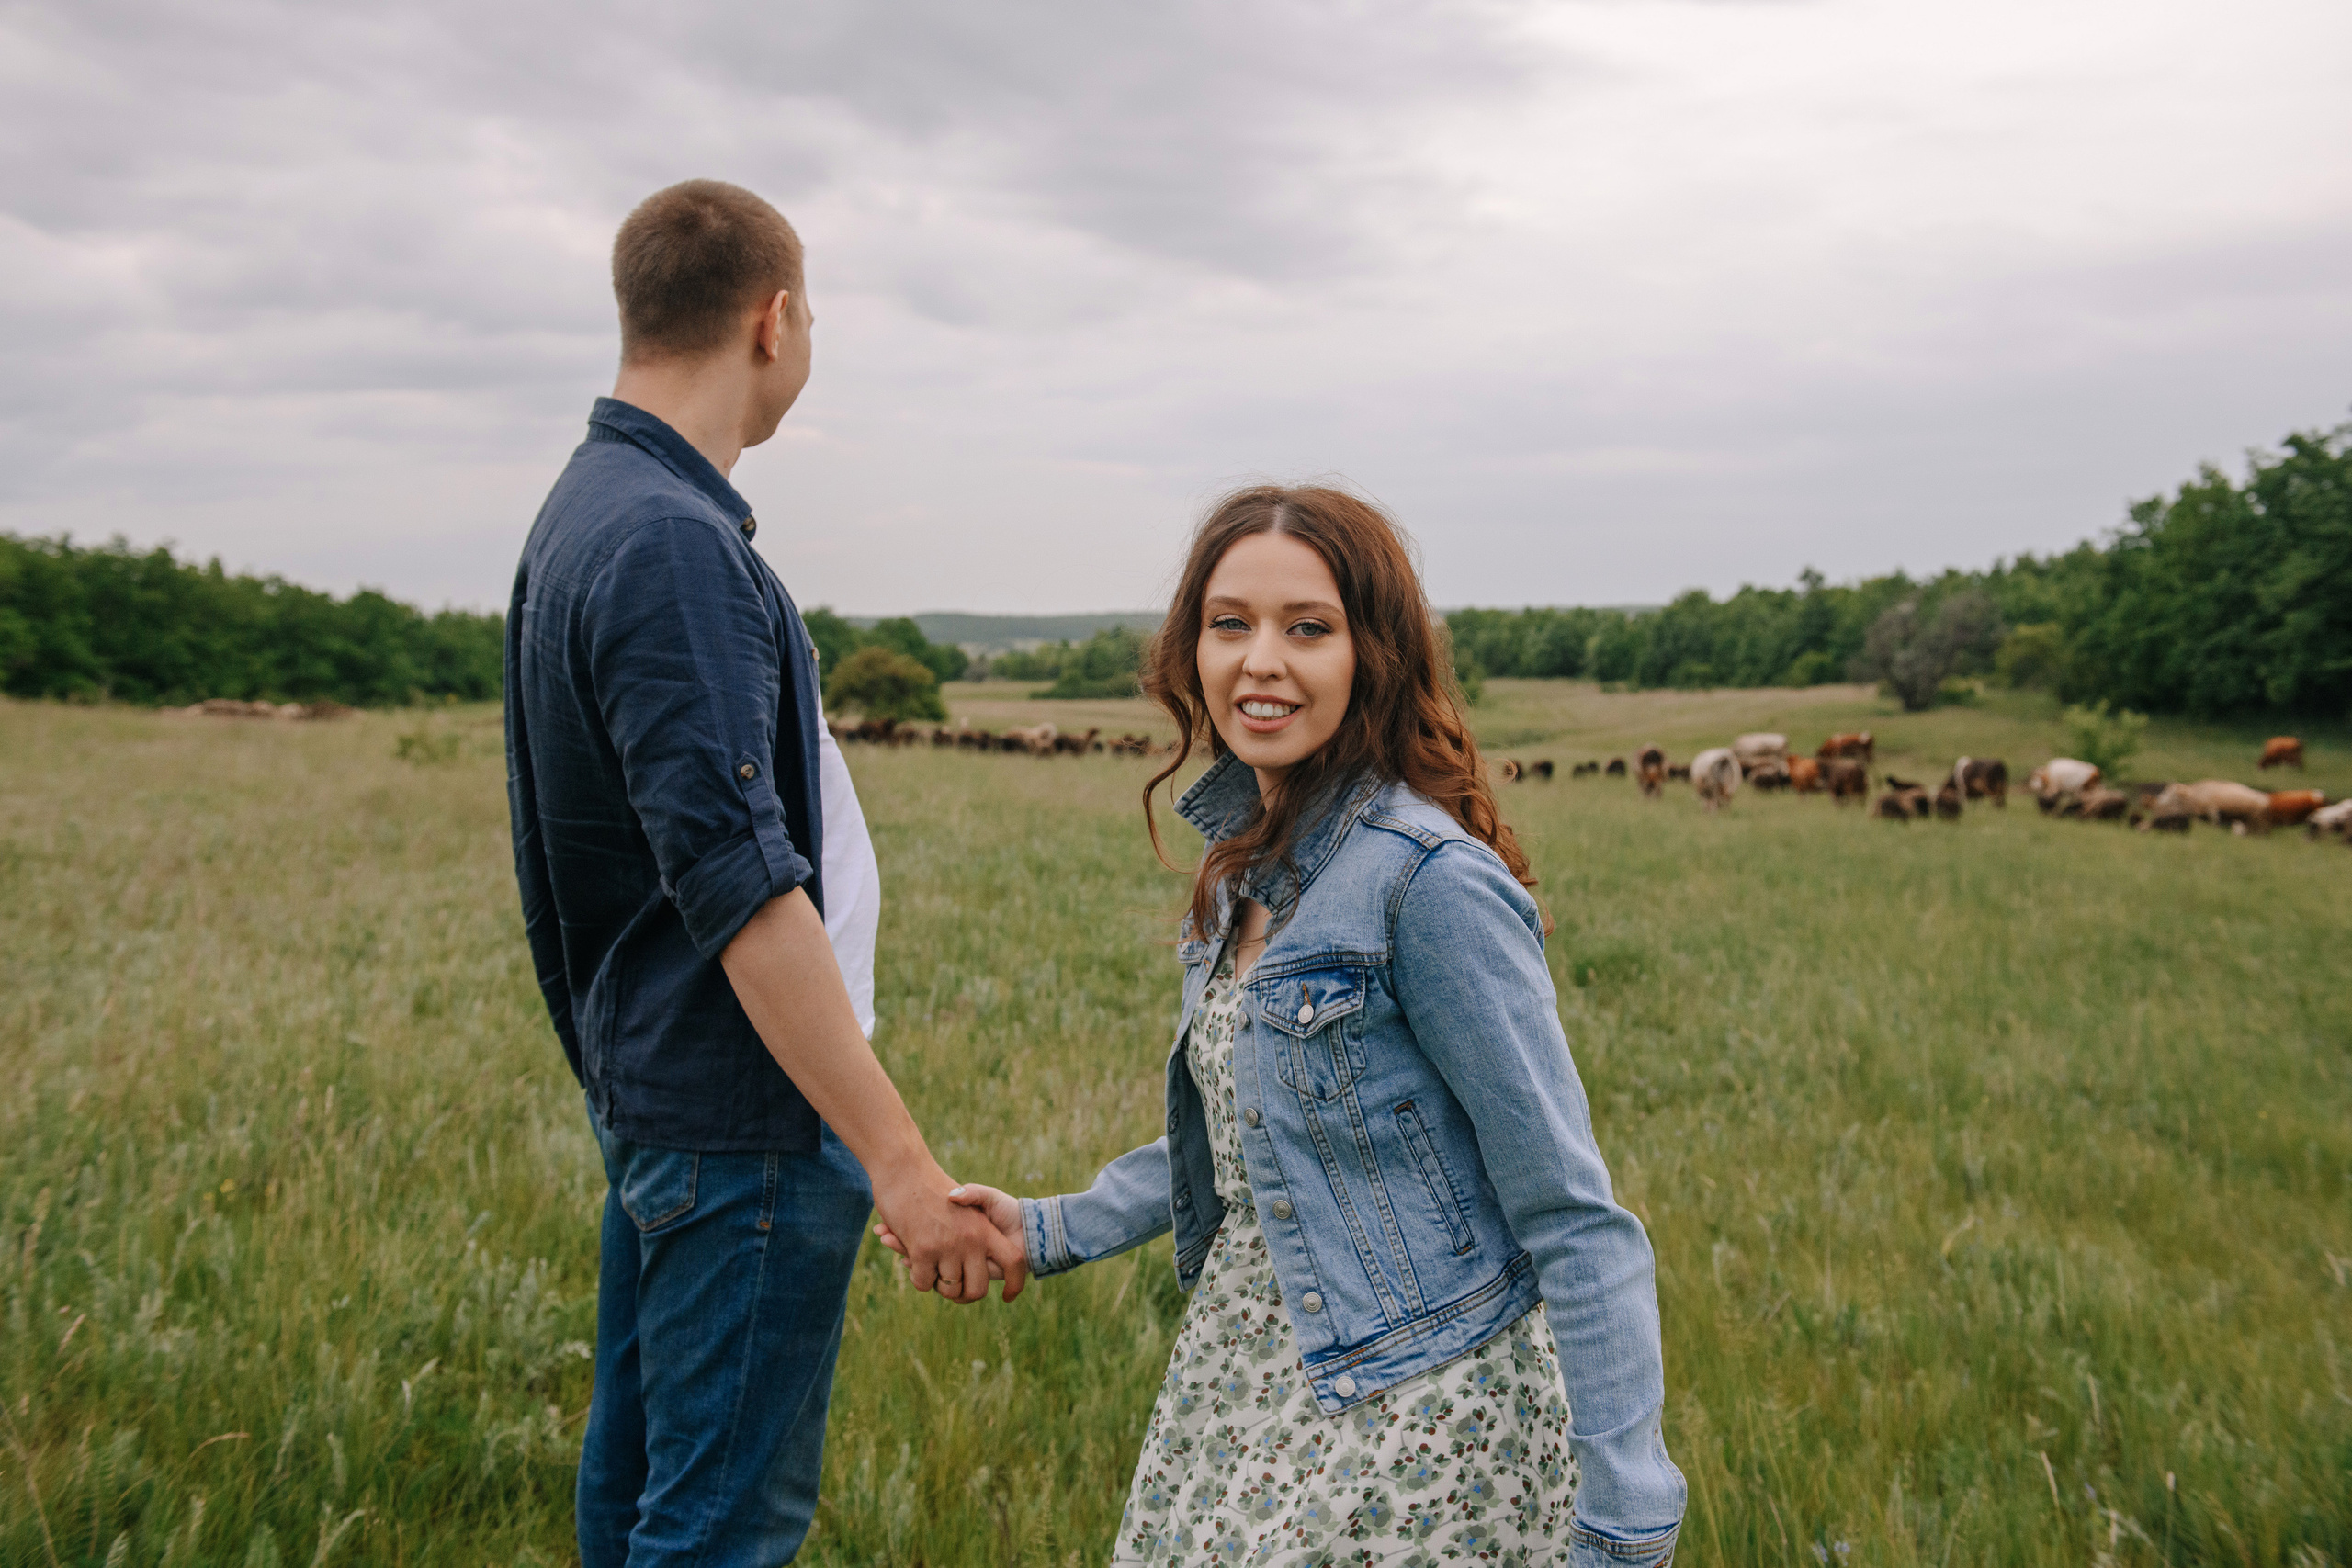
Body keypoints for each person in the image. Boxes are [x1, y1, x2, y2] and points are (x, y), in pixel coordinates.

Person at [880, 486, 1685, 1564]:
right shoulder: (1242, 872)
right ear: (1191, 652)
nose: (1261, 659)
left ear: (1373, 655)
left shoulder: (1428, 880)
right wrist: (1049, 1226)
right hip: (1242, 1383)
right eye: (1230, 624)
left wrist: (1626, 1514)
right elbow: (1254, 1129)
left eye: (1307, 627)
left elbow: (1575, 1214)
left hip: (1421, 1410)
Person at [504, 178, 1023, 1568]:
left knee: (642, 1494)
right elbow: (737, 887)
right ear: (773, 320)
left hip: (675, 1094)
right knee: (721, 1526)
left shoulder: (597, 504)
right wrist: (899, 1160)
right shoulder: (670, 543)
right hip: (742, 1115)